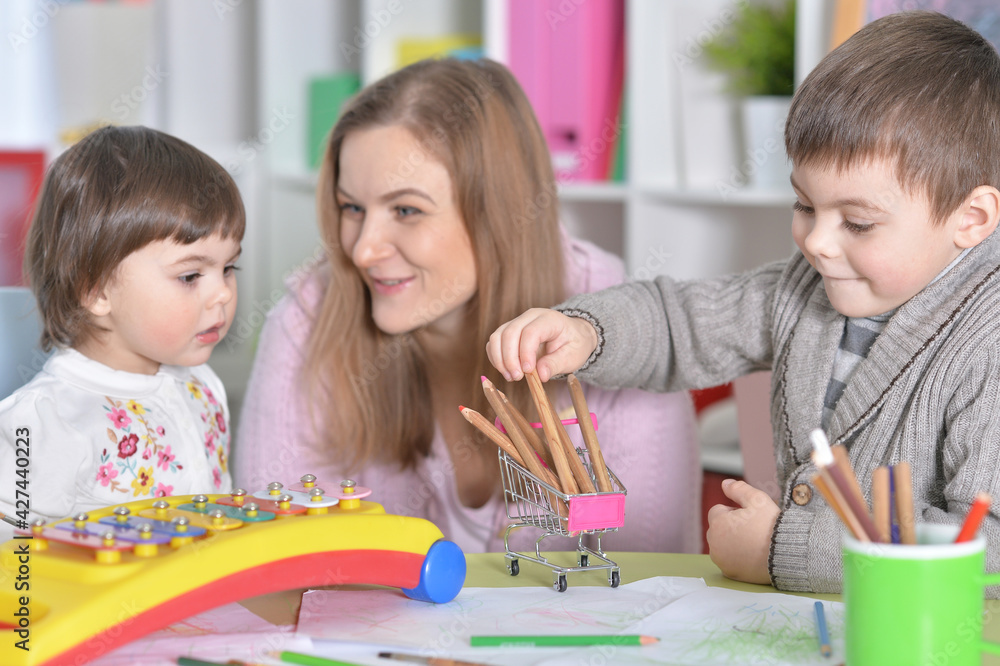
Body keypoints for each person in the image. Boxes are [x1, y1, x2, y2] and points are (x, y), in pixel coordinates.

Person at [487, 10, 1000, 594]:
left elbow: (988, 551)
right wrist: (585, 329)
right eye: (805, 206)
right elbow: (682, 323)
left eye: (857, 222)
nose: (817, 242)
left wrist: (784, 550)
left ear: (971, 219)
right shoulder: (804, 290)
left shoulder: (988, 343)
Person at [234, 58, 702, 554]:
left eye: (406, 210)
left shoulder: (620, 328)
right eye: (352, 207)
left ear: (497, 212)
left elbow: (648, 582)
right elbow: (282, 562)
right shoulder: (307, 319)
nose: (363, 249)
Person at [0, 126, 243, 540]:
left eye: (229, 268)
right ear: (94, 290)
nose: (222, 292)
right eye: (190, 275)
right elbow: (15, 570)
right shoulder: (43, 423)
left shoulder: (204, 386)